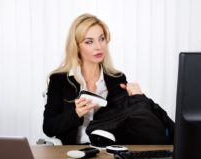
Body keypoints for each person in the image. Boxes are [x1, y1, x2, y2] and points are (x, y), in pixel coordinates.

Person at [43, 13, 174, 145]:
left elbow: (127, 120)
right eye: (89, 42)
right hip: (72, 151)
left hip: (109, 151)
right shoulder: (60, 80)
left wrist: (138, 97)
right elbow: (48, 128)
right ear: (77, 46)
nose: (99, 47)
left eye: (101, 39)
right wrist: (76, 113)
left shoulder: (116, 78)